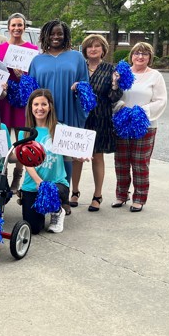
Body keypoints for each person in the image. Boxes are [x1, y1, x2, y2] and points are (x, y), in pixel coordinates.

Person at [29, 20, 90, 211]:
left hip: (69, 108)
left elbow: (86, 85)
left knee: (65, 155)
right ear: (45, 36)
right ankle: (43, 192)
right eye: (52, 34)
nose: (56, 37)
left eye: (60, 34)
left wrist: (79, 87)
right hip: (44, 113)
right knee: (46, 153)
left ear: (66, 36)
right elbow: (31, 90)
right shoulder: (37, 60)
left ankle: (64, 198)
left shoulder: (77, 57)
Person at [113, 42, 167, 212]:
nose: (140, 57)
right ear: (132, 55)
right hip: (122, 122)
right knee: (121, 162)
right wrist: (120, 107)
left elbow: (161, 100)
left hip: (145, 124)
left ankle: (140, 197)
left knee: (139, 163)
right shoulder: (122, 72)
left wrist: (141, 111)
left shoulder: (155, 76)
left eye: (144, 54)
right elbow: (114, 93)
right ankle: (121, 195)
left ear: (150, 57)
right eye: (137, 53)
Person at [70, 35, 122, 211]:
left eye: (97, 46)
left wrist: (115, 85)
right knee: (76, 157)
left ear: (103, 50)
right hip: (80, 117)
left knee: (97, 157)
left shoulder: (110, 69)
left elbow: (114, 97)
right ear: (84, 50)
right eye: (89, 47)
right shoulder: (79, 67)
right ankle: (74, 192)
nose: (93, 49)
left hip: (101, 118)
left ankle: (97, 195)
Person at [0, 13, 39, 194]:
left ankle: (17, 175)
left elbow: (36, 75)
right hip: (5, 98)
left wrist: (24, 76)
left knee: (23, 139)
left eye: (20, 25)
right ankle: (3, 176)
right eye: (13, 25)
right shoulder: (0, 49)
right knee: (3, 138)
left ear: (24, 27)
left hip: (23, 99)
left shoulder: (32, 49)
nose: (16, 28)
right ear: (8, 27)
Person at [19, 89, 69, 234]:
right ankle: (42, 209)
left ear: (50, 106)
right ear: (30, 107)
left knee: (51, 190)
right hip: (33, 185)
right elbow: (26, 162)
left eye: (44, 104)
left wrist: (81, 156)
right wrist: (39, 182)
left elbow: (72, 152)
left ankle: (57, 211)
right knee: (33, 228)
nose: (39, 108)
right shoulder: (25, 132)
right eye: (36, 104)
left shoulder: (60, 129)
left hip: (57, 184)